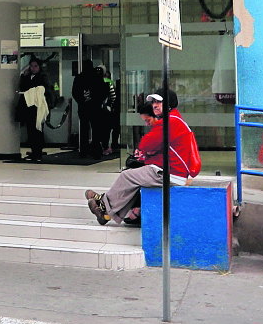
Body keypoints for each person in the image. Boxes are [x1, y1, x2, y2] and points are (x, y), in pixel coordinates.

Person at [85, 91, 200, 227]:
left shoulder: (170, 122)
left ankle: (103, 205)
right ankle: (107, 214)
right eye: (153, 102)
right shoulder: (174, 120)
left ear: (169, 104)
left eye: (159, 102)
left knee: (127, 176)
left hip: (171, 174)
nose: (155, 106)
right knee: (134, 177)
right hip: (173, 172)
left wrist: (146, 151)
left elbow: (145, 144)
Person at [17, 58, 49, 163]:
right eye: (32, 66)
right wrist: (24, 76)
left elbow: (44, 89)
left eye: (35, 66)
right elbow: (23, 87)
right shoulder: (27, 77)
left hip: (38, 107)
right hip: (28, 107)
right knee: (30, 130)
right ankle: (33, 151)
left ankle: (38, 152)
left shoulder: (43, 77)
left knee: (38, 130)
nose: (33, 68)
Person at [73, 61, 105, 159]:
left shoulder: (79, 77)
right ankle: (96, 151)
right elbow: (103, 91)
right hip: (95, 108)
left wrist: (81, 101)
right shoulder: (97, 77)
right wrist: (97, 102)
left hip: (83, 108)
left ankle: (83, 151)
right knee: (96, 130)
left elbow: (75, 92)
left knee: (84, 130)